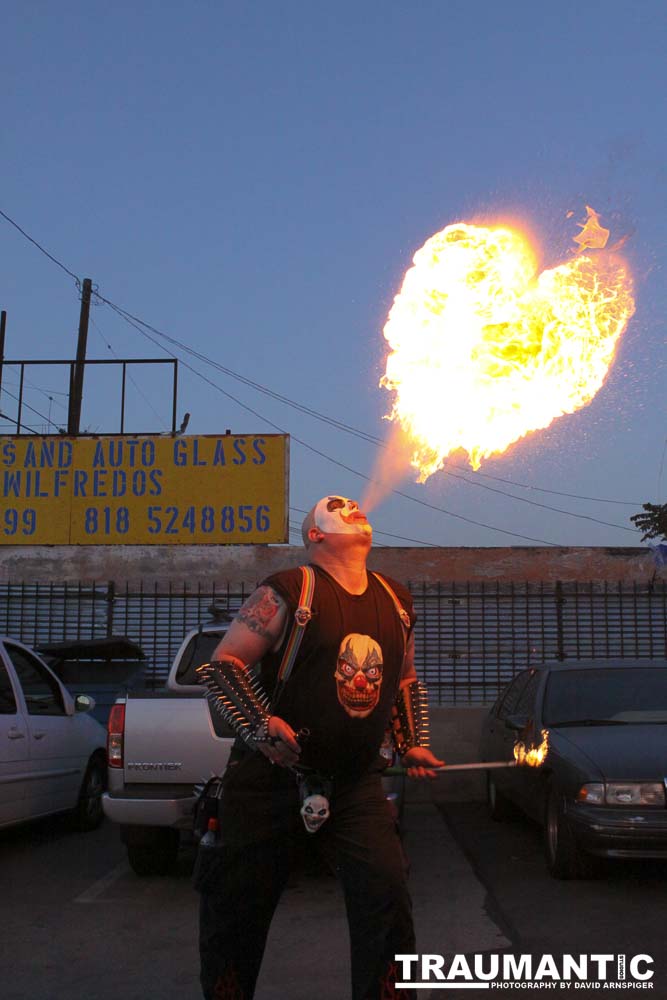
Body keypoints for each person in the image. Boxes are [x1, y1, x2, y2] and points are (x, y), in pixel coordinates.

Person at [194, 494, 444, 1000]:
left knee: (388, 899)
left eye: (356, 506)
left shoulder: (397, 599)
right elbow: (223, 667)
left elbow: (404, 680)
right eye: (337, 507)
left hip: (354, 785)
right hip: (268, 782)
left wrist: (413, 742)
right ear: (315, 534)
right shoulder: (288, 589)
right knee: (236, 912)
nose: (353, 507)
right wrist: (263, 725)